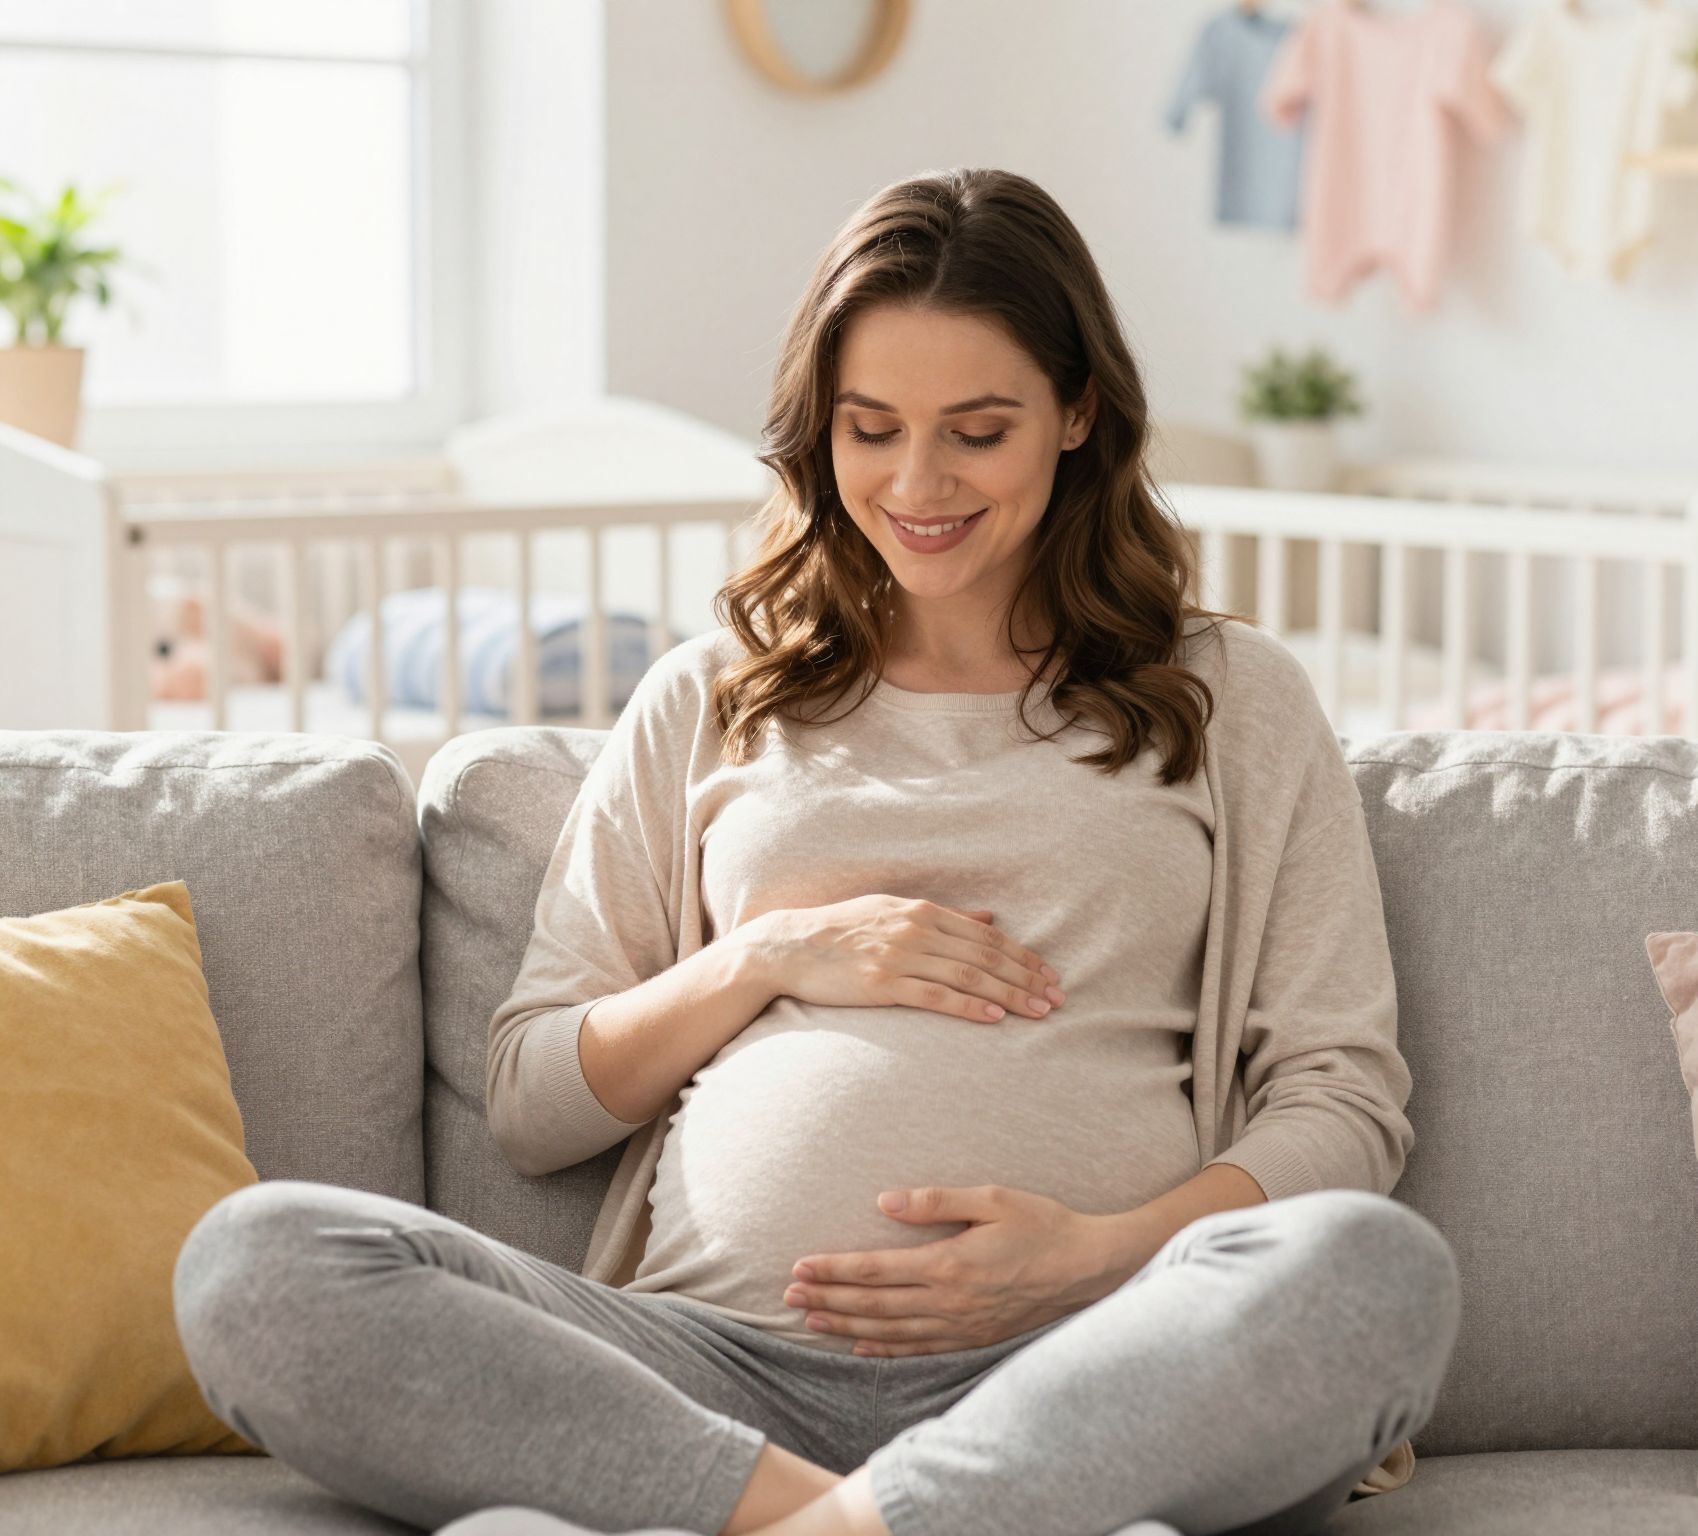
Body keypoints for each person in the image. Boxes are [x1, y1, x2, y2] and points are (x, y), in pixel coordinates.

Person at [171, 167, 1461, 1536]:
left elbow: (1342, 1100)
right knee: (253, 1264)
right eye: (872, 429)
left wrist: (1091, 1260)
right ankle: (868, 1519)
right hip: (699, 1378)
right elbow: (534, 1098)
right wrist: (771, 956)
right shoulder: (711, 694)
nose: (917, 483)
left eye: (978, 431)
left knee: (1377, 1273)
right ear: (817, 430)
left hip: (1088, 1371)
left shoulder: (1230, 696)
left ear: (1079, 413)